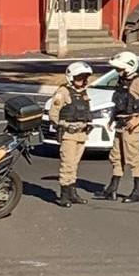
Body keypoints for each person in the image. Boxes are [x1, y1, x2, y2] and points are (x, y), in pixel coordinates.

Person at [95, 52, 139, 203]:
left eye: (119, 68)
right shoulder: (121, 81)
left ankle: (137, 191)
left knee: (133, 158)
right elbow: (119, 103)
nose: (117, 71)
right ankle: (112, 189)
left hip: (132, 127)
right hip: (120, 125)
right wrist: (111, 119)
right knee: (116, 157)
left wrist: (137, 120)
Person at [48, 62, 94, 207]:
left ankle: (73, 193)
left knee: (74, 165)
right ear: (71, 77)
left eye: (85, 77)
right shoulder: (63, 92)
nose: (83, 80)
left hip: (81, 134)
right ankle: (64, 195)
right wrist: (64, 124)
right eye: (80, 77)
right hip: (69, 134)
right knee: (67, 165)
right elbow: (53, 113)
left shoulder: (83, 92)